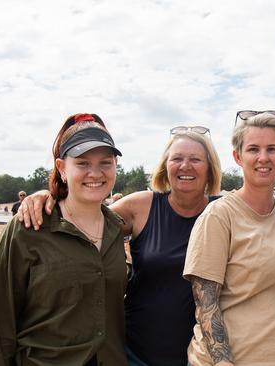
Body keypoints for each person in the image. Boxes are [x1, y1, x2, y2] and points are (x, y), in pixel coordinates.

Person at [18, 125, 223, 366]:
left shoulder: (224, 213)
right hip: (135, 352)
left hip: (201, 356)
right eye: (176, 158)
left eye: (195, 159)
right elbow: (80, 221)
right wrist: (49, 195)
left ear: (210, 169)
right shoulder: (141, 206)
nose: (185, 166)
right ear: (165, 167)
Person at [0, 113, 128, 365]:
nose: (95, 172)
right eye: (82, 163)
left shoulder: (116, 228)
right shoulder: (29, 227)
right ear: (62, 168)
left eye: (105, 162)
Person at [183, 111, 275, 365]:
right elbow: (206, 302)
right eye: (253, 149)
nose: (263, 158)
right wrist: (223, 362)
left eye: (272, 149)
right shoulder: (219, 215)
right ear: (238, 156)